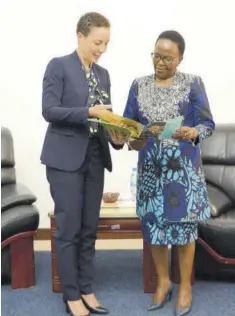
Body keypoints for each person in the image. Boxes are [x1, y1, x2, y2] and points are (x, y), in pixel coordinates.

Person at [123, 30, 215, 316]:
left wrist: (193, 132)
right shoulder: (138, 85)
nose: (160, 62)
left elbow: (208, 124)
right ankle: (163, 282)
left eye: (168, 58)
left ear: (180, 59)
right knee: (154, 226)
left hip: (182, 170)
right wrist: (129, 137)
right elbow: (129, 126)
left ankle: (184, 285)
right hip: (151, 168)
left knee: (185, 229)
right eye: (156, 56)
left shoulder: (193, 83)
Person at [41, 12, 127, 316]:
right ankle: (71, 295)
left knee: (90, 228)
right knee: (69, 229)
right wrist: (89, 112)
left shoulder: (103, 75)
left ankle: (87, 288)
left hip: (94, 157)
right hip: (65, 159)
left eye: (105, 43)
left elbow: (105, 119)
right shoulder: (59, 66)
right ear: (80, 35)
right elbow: (50, 110)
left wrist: (117, 136)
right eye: (96, 42)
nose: (101, 49)